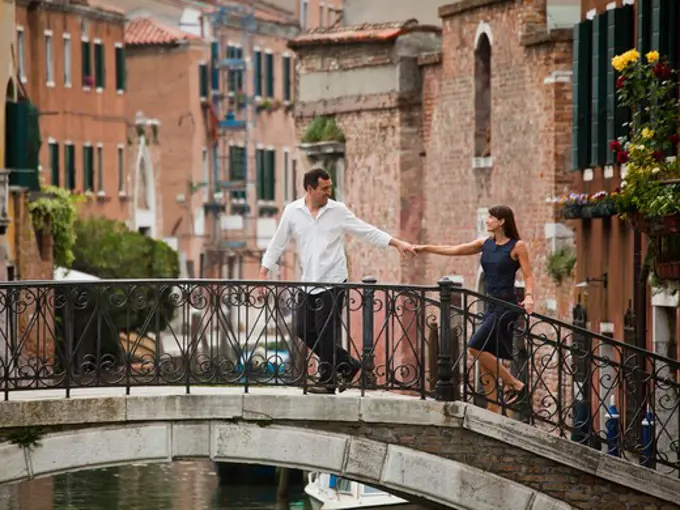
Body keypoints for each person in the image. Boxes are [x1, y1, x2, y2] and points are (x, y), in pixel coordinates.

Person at [258, 167, 417, 394]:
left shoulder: (338, 211)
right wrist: (263, 273)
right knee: (303, 329)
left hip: (333, 281)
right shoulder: (292, 212)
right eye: (324, 189)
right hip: (308, 281)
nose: (328, 192)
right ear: (310, 188)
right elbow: (277, 243)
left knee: (326, 332)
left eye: (329, 188)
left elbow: (366, 231)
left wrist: (396, 243)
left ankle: (329, 380)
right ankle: (349, 366)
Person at [414, 205, 533, 413]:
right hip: (489, 305)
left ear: (502, 221)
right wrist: (425, 248)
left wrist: (530, 297)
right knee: (485, 354)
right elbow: (455, 250)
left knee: (474, 347)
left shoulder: (517, 246)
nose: (487, 220)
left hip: (506, 307)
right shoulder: (484, 244)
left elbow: (529, 276)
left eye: (491, 217)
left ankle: (515, 383)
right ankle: (493, 408)